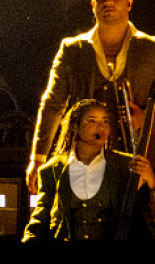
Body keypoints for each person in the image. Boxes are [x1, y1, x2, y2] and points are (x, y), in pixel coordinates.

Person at [26, 0, 155, 194]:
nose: (109, 2)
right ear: (93, 5)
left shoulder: (151, 49)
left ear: (129, 4)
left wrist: (147, 117)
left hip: (138, 162)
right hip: (85, 162)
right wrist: (38, 157)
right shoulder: (72, 49)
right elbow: (52, 104)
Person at [22, 99, 155, 241]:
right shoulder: (51, 170)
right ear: (75, 127)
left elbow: (144, 212)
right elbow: (40, 220)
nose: (101, 127)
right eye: (92, 121)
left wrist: (151, 181)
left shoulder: (125, 164)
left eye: (105, 121)